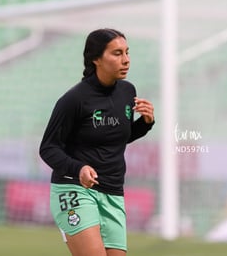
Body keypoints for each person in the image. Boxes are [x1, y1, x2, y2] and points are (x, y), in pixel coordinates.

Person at [39, 28, 155, 256]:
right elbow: (48, 148)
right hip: (75, 189)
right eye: (117, 53)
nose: (126, 60)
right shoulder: (74, 99)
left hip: (113, 191)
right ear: (96, 59)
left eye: (127, 52)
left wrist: (146, 123)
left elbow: (116, 136)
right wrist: (79, 168)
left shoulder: (128, 91)